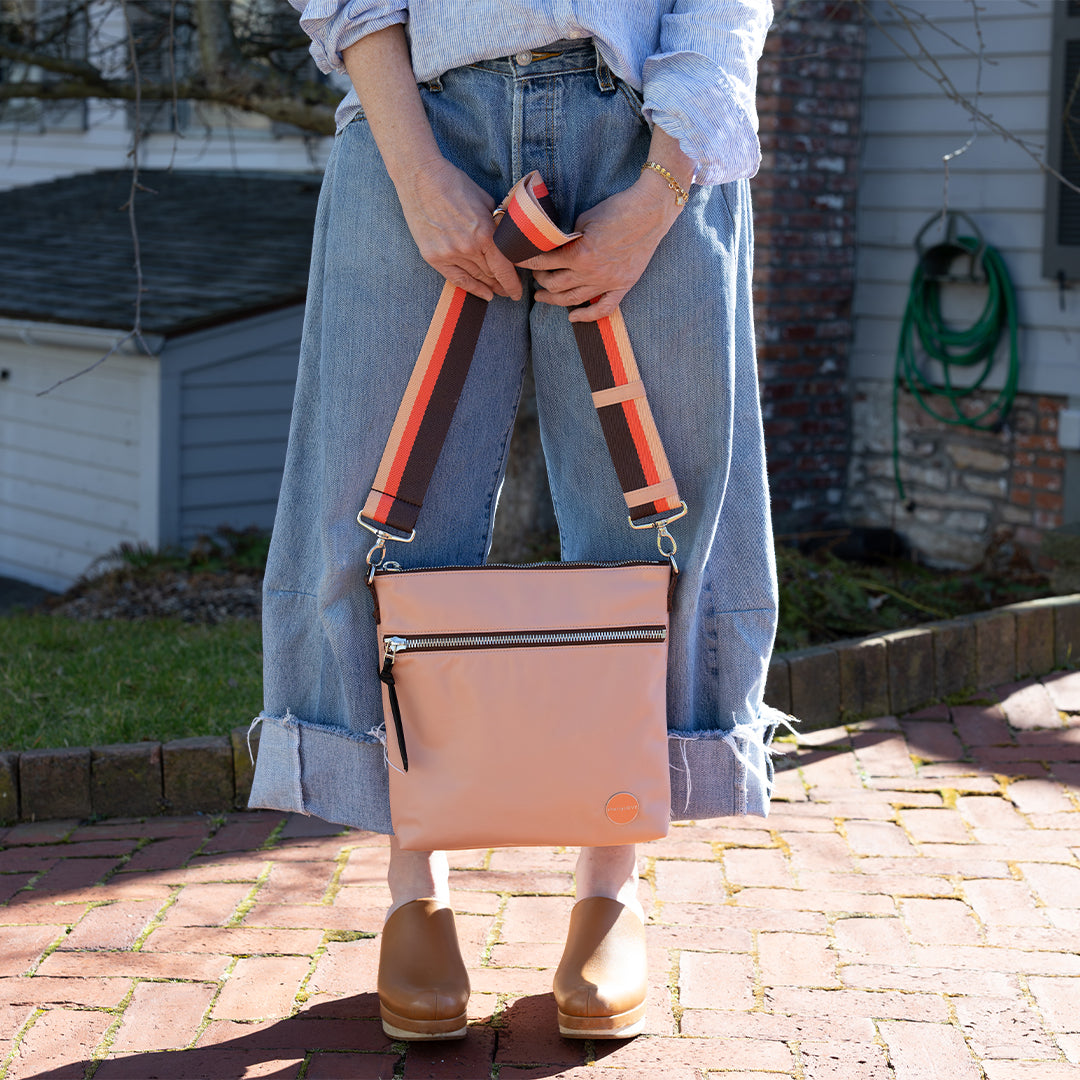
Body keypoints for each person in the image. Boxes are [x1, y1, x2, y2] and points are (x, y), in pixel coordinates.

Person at [249, 0, 781, 1043]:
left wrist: (660, 190)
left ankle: (610, 886)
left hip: (648, 129)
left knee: (659, 522)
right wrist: (417, 174)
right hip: (423, 117)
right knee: (377, 508)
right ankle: (415, 888)